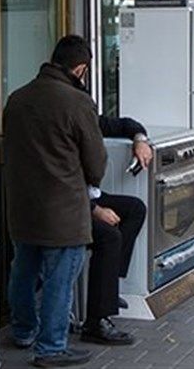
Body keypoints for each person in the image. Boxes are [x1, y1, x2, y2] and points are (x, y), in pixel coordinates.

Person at [3, 35, 106, 368]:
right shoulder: (77, 102)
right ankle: (51, 347)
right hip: (63, 209)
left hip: (22, 204)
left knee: (23, 269)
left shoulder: (17, 98)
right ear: (80, 69)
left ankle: (23, 331)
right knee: (60, 278)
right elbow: (96, 162)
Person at [81, 117, 151, 345]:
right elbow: (61, 185)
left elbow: (126, 125)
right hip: (71, 206)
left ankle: (110, 285)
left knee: (135, 209)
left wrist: (140, 140)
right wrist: (95, 210)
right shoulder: (66, 129)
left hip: (90, 196)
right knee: (110, 237)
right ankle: (97, 321)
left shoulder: (87, 118)